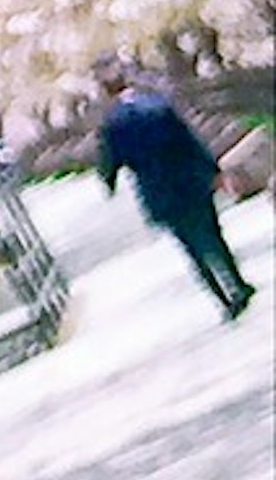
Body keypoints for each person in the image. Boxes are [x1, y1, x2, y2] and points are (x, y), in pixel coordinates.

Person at [94, 62, 257, 322]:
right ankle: (237, 282)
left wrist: (108, 182)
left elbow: (109, 160)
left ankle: (223, 298)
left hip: (158, 190)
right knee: (213, 234)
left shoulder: (112, 125)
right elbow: (190, 141)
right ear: (127, 82)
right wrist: (214, 172)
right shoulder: (157, 105)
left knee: (190, 246)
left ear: (106, 92)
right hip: (190, 179)